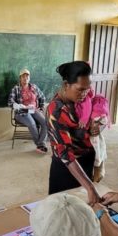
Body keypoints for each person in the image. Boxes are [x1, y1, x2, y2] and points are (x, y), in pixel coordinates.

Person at [46, 61, 104, 203]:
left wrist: (97, 126)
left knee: (84, 208)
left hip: (86, 163)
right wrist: (90, 187)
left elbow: (99, 115)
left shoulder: (84, 101)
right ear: (66, 85)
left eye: (88, 88)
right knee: (64, 210)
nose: (85, 93)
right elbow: (65, 153)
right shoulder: (57, 110)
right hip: (68, 169)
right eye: (80, 89)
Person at [8, 68, 48, 153]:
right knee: (32, 123)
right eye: (23, 76)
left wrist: (41, 108)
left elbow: (43, 97)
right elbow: (10, 102)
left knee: (45, 123)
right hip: (22, 112)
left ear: (29, 78)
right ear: (20, 78)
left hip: (34, 110)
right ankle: (40, 145)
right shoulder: (16, 88)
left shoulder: (34, 87)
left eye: (27, 76)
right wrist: (19, 106)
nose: (25, 78)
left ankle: (41, 143)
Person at [74, 90, 110, 182]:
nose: (83, 92)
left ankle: (98, 166)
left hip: (90, 137)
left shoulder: (89, 100)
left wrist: (97, 126)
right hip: (78, 139)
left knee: (97, 150)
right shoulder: (64, 102)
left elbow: (103, 121)